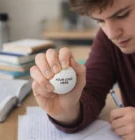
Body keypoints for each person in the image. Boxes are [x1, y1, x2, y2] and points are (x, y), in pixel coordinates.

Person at [30, 0, 135, 139]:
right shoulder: (107, 41)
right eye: (99, 21)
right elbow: (92, 92)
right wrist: (67, 110)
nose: (111, 34)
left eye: (122, 15)